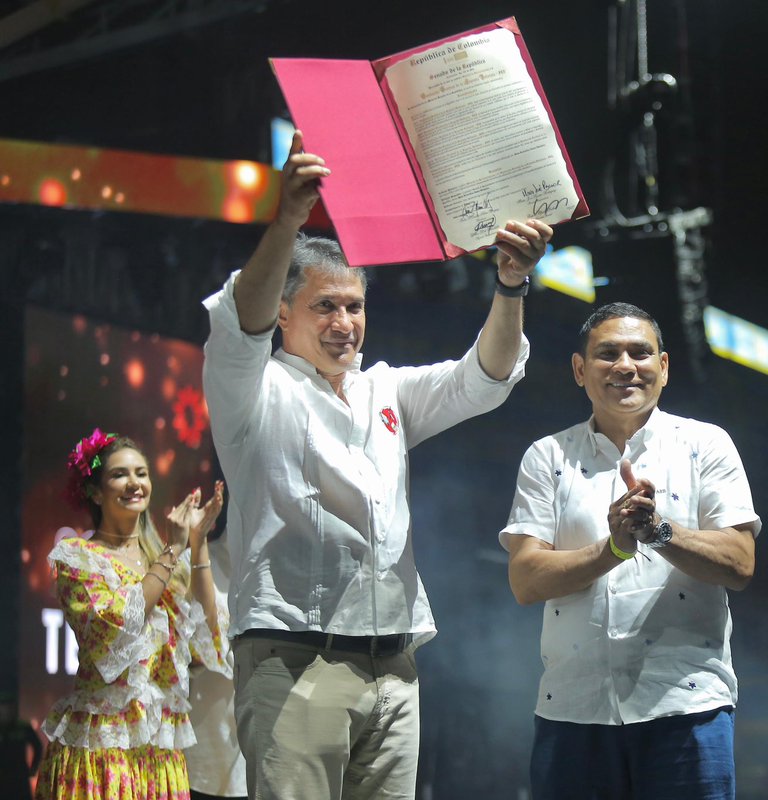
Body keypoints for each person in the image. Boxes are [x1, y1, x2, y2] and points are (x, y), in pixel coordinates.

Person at [202, 130, 551, 800]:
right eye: (324, 305)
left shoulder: (386, 390)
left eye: (355, 305)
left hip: (395, 664)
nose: (344, 321)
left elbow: (486, 377)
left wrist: (510, 286)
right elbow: (240, 319)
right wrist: (287, 221)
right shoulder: (250, 386)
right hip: (291, 656)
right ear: (284, 311)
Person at [500, 302, 761, 800]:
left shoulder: (706, 445)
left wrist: (659, 530)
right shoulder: (547, 456)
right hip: (573, 709)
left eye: (640, 352)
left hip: (687, 706)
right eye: (607, 354)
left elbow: (740, 562)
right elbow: (526, 579)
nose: (625, 365)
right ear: (580, 370)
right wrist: (613, 549)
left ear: (663, 367)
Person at [35, 429, 227, 800]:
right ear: (94, 491)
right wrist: (172, 550)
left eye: (141, 472)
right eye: (119, 474)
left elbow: (208, 641)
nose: (134, 482)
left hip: (159, 755)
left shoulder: (163, 559)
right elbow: (116, 631)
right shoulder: (80, 558)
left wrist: (197, 542)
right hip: (103, 751)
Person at [184, 534, 247, 800]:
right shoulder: (192, 559)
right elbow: (196, 650)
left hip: (264, 750)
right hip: (205, 749)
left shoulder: (284, 563)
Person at [0, 692, 42, 800]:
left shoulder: (23, 727)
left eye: (9, 707)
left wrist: (33, 768)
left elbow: (38, 747)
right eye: (4, 707)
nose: (7, 711)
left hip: (19, 777)